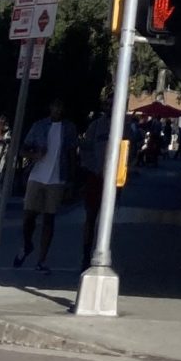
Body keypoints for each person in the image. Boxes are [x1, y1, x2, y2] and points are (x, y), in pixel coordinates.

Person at [17, 97, 79, 273]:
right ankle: (27, 244)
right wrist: (35, 154)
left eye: (60, 106)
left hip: (57, 178)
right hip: (36, 175)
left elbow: (72, 154)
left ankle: (41, 259)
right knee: (29, 215)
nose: (57, 110)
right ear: (50, 107)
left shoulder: (69, 128)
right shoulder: (39, 126)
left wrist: (71, 181)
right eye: (55, 106)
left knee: (49, 219)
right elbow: (23, 149)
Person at [77, 102, 114, 268]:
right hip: (95, 177)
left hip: (112, 181)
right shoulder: (96, 126)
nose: (111, 108)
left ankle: (102, 251)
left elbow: (129, 150)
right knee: (90, 217)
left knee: (106, 219)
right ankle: (86, 255)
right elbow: (85, 149)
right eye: (109, 105)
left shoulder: (123, 128)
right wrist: (93, 168)